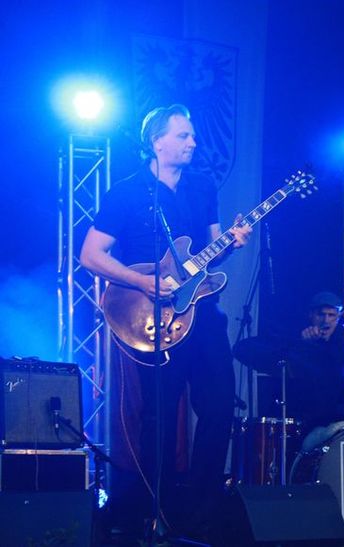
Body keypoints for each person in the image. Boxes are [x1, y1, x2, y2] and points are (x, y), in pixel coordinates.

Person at [80, 104, 251, 538]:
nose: (193, 142)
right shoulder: (127, 192)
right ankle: (153, 510)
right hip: (153, 317)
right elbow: (91, 255)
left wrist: (232, 241)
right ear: (157, 141)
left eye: (192, 135)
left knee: (218, 408)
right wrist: (141, 280)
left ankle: (202, 509)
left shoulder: (202, 187)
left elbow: (211, 253)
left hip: (203, 315)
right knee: (159, 417)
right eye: (183, 135)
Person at [287, 291, 344, 451]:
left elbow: (333, 383)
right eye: (321, 314)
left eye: (331, 315)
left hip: (329, 420)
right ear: (311, 315)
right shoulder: (297, 342)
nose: (326, 320)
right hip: (302, 420)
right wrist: (305, 346)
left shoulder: (337, 348)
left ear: (338, 318)